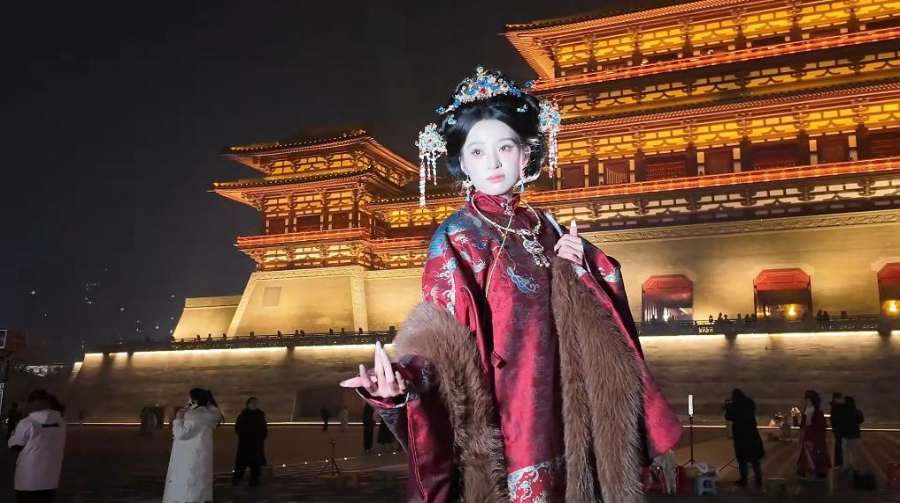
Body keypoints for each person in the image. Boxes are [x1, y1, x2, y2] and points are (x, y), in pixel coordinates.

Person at [340, 67, 682, 502]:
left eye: (505, 147)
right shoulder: (458, 236)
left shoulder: (548, 228)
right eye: (477, 151)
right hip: (510, 420)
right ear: (462, 163)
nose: (494, 162)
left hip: (570, 412)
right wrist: (402, 382)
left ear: (526, 154)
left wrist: (580, 268)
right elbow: (443, 337)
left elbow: (599, 310)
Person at [163, 388, 221, 503]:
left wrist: (178, 419)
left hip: (188, 455)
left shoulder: (193, 415)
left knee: (186, 485)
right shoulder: (209, 414)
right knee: (199, 484)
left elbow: (181, 434)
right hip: (200, 455)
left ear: (194, 399)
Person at [8, 390, 67, 503]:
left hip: (28, 479)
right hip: (51, 478)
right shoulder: (61, 422)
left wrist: (14, 430)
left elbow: (15, 445)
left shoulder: (27, 422)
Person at [724, 389, 764, 487]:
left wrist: (727, 407)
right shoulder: (749, 401)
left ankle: (743, 479)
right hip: (752, 433)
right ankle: (758, 479)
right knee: (755, 458)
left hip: (740, 434)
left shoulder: (734, 404)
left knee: (742, 459)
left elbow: (729, 417)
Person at [233, 397, 267, 486]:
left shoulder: (260, 415)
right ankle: (237, 479)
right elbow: (238, 428)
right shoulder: (243, 415)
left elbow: (264, 427)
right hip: (246, 443)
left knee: (256, 464)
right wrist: (245, 435)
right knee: (241, 463)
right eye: (253, 403)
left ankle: (254, 481)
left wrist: (262, 436)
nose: (255, 404)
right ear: (248, 404)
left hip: (257, 443)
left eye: (256, 403)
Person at [797, 390, 831, 479]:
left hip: (814, 437)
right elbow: (804, 424)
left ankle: (818, 471)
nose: (806, 402)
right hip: (809, 436)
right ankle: (806, 470)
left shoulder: (817, 412)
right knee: (807, 453)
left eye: (808, 400)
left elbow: (819, 426)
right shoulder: (808, 411)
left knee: (815, 453)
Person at [841, 396, 864, 473]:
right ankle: (856, 468)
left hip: (846, 435)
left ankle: (846, 467)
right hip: (855, 434)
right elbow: (861, 420)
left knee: (845, 452)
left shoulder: (843, 412)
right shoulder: (857, 412)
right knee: (855, 452)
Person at [829, 392, 846, 468]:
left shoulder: (835, 406)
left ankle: (839, 462)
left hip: (838, 429)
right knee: (840, 447)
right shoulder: (837, 407)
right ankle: (839, 463)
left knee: (839, 446)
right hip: (839, 429)